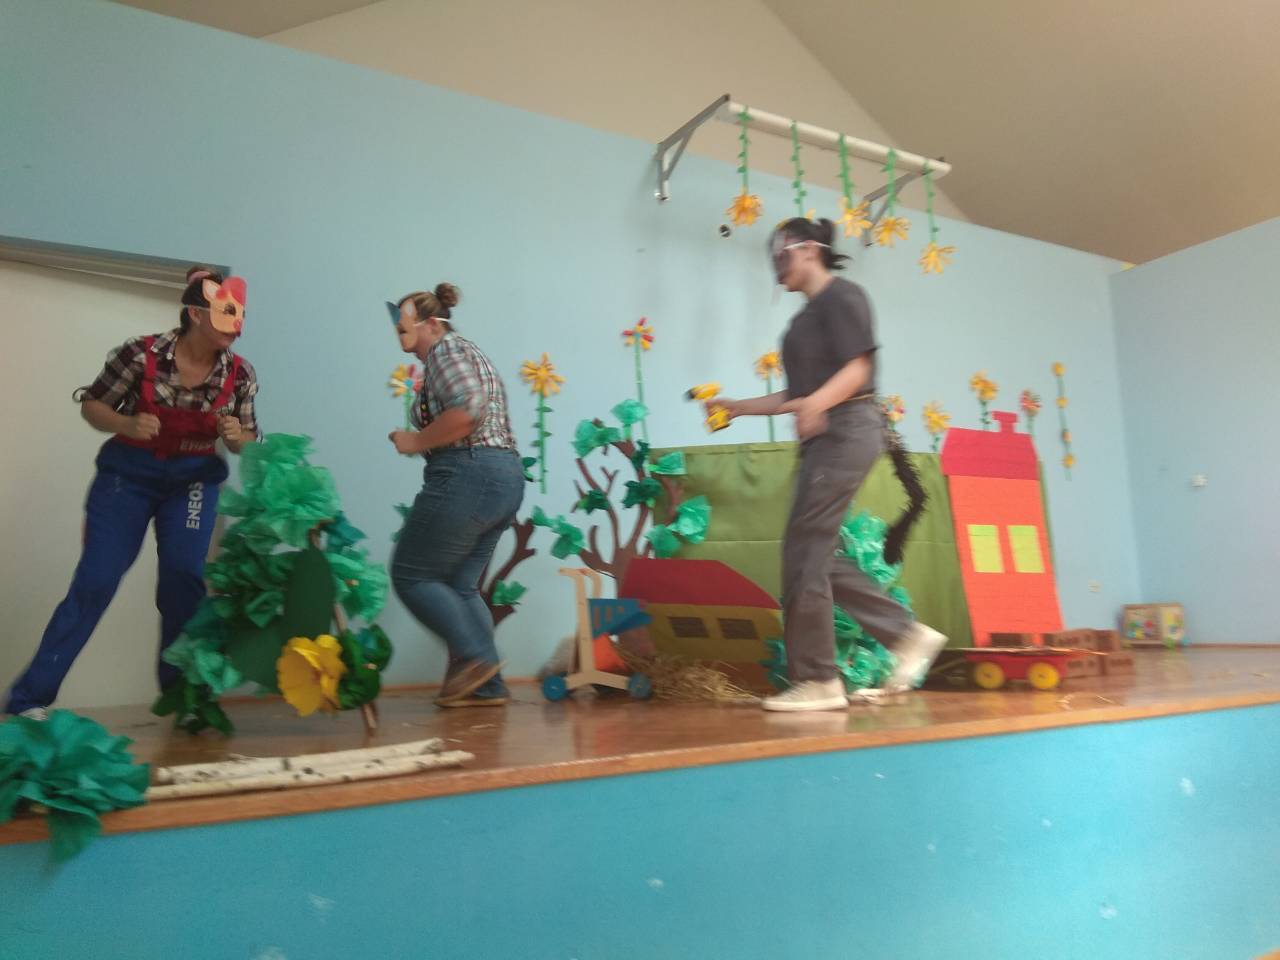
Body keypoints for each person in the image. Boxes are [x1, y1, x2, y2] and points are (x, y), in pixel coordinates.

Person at [5, 266, 259, 719]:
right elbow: (93, 405)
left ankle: (183, 698)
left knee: (184, 580)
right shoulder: (140, 354)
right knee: (96, 580)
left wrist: (239, 437)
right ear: (196, 314)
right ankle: (29, 699)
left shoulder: (239, 375)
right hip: (128, 478)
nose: (235, 326)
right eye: (225, 313)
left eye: (239, 314)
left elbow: (249, 441)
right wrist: (125, 423)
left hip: (193, 482)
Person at [716, 218, 947, 712]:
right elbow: (798, 394)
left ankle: (820, 679)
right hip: (826, 435)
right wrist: (739, 407)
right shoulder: (802, 322)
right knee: (813, 553)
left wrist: (819, 404)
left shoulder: (844, 297)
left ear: (808, 250)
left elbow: (858, 369)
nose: (776, 265)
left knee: (806, 549)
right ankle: (905, 635)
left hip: (848, 428)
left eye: (782, 255)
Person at [387, 283, 524, 708]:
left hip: (470, 473)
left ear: (431, 324)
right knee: (461, 586)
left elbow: (468, 411)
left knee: (411, 575)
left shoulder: (446, 352)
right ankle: (487, 686)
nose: (400, 335)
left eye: (405, 326)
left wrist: (415, 441)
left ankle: (477, 660)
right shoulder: (460, 353)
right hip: (502, 476)